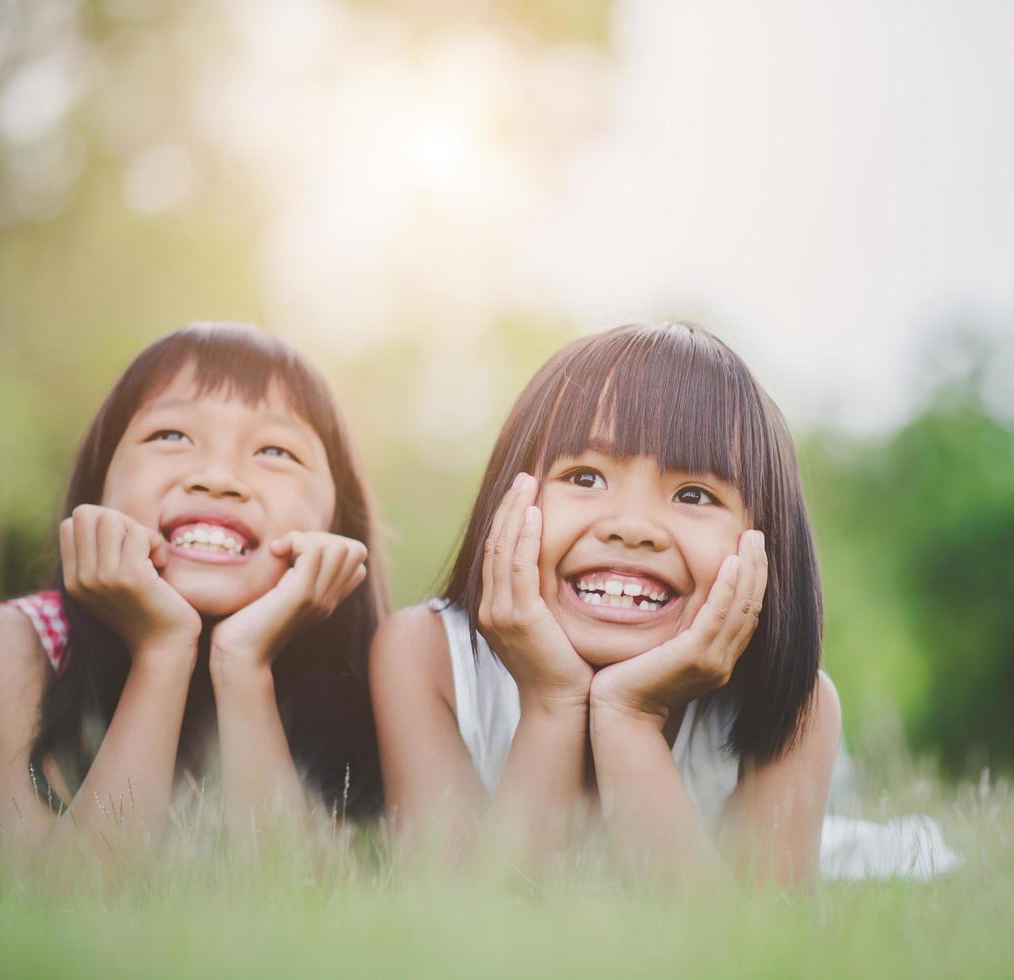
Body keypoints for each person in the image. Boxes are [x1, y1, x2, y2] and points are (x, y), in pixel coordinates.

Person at [371, 321, 958, 887]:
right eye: (585, 477)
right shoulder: (425, 657)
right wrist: (553, 705)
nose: (632, 527)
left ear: (765, 544)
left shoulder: (798, 710)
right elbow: (463, 932)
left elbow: (738, 956)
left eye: (693, 494)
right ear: (508, 495)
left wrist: (630, 719)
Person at [0, 322, 384, 878]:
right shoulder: (20, 644)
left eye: (274, 449)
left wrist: (243, 665)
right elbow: (61, 913)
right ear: (99, 487)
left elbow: (291, 912)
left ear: (339, 522)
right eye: (172, 435)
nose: (218, 478)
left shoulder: (369, 675)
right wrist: (162, 648)